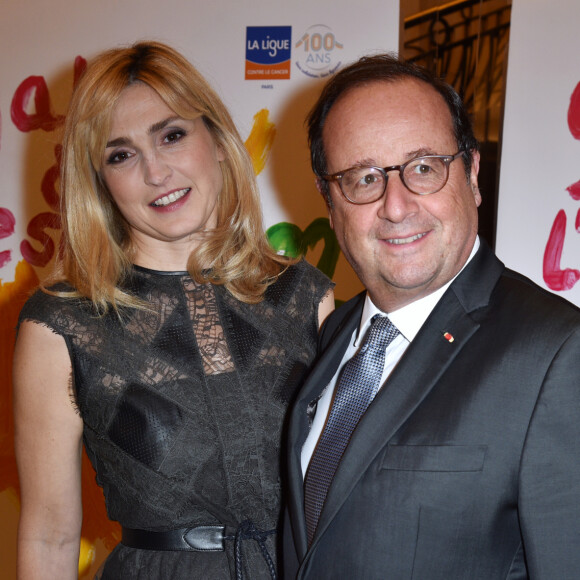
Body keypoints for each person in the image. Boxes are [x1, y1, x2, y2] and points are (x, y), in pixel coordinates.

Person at [13, 41, 334, 580]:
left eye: (171, 135)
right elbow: (49, 536)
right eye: (121, 155)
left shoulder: (306, 296)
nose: (156, 172)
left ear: (215, 138)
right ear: (100, 183)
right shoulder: (63, 325)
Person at [284, 53, 580, 579]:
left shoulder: (556, 353)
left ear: (472, 174)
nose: (395, 205)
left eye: (423, 168)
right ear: (329, 203)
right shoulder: (334, 335)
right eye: (363, 177)